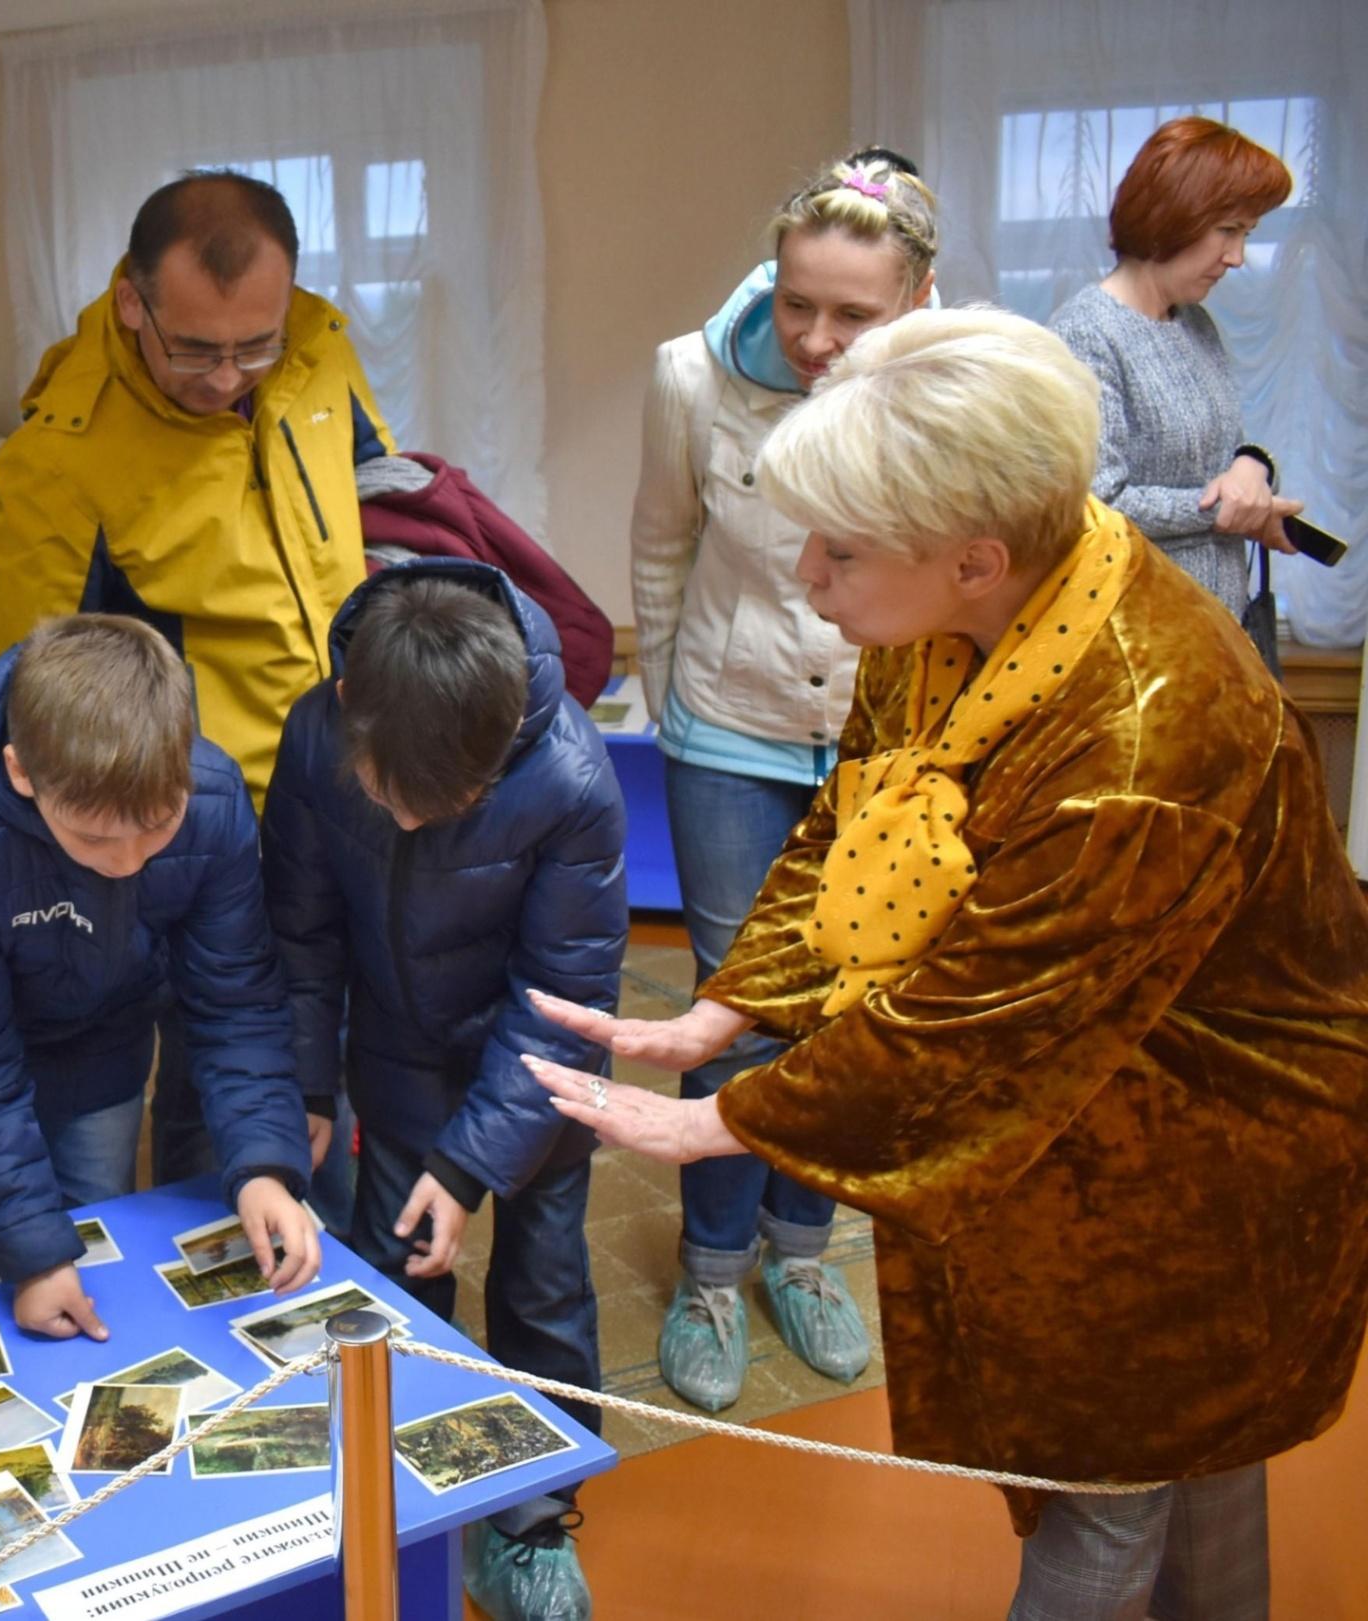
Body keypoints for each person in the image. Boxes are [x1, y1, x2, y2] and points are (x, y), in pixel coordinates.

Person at [529, 307, 1368, 1621]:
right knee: (1178, 1452)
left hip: (1210, 1140)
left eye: (842, 549)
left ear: (976, 558)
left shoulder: (1145, 738)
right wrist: (726, 1011)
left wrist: (715, 1124)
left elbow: (975, 1022)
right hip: (1094, 1085)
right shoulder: (971, 613)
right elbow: (853, 822)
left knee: (1117, 1467)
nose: (807, 573)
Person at [0, 171, 394, 1186]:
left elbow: (378, 502)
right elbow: (13, 677)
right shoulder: (65, 449)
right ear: (131, 302)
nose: (228, 375)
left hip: (338, 787)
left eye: (255, 344)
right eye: (197, 349)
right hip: (205, 821)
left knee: (320, 1074)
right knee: (223, 1082)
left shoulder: (319, 350)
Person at [626, 149, 940, 1410]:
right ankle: (710, 1269)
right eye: (796, 300)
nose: (814, 337)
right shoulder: (689, 376)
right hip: (726, 735)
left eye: (852, 313)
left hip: (877, 747)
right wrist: (677, 709)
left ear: (917, 298)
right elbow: (659, 548)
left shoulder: (943, 388)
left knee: (848, 1006)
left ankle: (798, 1257)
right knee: (735, 1008)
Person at [263, 559, 627, 1621]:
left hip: (540, 1076)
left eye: (448, 805)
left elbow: (559, 998)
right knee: (399, 1284)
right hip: (396, 1056)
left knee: (544, 1287)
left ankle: (531, 1521)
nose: (413, 824)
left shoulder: (569, 775)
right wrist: (309, 1087)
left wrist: (471, 1166)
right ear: (349, 715)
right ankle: (411, 1509)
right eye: (389, 798)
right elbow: (299, 933)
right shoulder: (316, 734)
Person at [0, 614, 324, 1341]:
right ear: (21, 771)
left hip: (105, 1055)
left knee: (99, 1275)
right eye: (94, 837)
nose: (127, 860)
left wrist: (261, 1166)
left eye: (158, 826)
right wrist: (32, 1256)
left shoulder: (214, 804)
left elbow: (236, 1004)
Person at [1049, 116, 1301, 621]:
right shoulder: (1085, 333)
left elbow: (1219, 453)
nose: (1236, 256)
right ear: (1172, 215)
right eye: (1227, 231)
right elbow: (1095, 504)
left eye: (1247, 233)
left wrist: (1253, 466)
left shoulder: (1195, 323)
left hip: (1212, 628)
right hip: (1138, 635)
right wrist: (1229, 511)